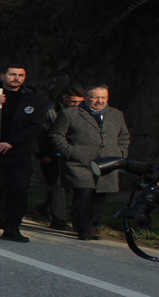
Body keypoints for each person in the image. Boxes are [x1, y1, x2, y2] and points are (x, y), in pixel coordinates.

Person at [0, 65, 46, 243]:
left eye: (21, 75)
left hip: (19, 151)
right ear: (3, 75)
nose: (16, 78)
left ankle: (12, 227)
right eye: (12, 74)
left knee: (18, 190)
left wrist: (12, 142)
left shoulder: (34, 98)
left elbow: (36, 126)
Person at [49, 85, 131, 241]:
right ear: (86, 97)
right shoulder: (69, 114)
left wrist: (120, 153)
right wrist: (70, 152)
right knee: (83, 194)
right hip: (79, 163)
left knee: (99, 197)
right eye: (94, 97)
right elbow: (56, 136)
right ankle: (83, 229)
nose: (99, 101)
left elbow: (124, 136)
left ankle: (92, 227)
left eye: (103, 98)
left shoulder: (116, 114)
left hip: (107, 163)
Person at [35, 84, 86, 230]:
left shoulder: (82, 111)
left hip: (71, 153)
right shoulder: (49, 110)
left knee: (69, 185)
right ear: (65, 98)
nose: (76, 105)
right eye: (73, 101)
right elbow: (41, 134)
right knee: (56, 186)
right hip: (51, 154)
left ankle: (46, 208)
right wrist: (42, 154)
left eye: (79, 102)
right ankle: (58, 221)